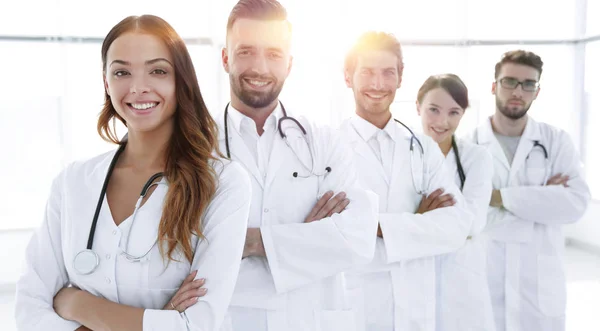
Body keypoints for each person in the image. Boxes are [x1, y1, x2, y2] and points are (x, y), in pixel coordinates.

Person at [15, 15, 252, 331]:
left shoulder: (222, 184)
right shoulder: (73, 183)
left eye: (157, 71)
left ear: (180, 80)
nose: (139, 87)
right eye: (122, 72)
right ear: (106, 83)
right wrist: (162, 317)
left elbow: (198, 324)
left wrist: (77, 303)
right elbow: (30, 311)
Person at [216, 1, 379, 330]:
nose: (260, 67)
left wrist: (252, 242)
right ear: (225, 58)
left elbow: (357, 238)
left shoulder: (324, 141)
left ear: (289, 64)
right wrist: (306, 238)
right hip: (228, 319)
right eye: (246, 51)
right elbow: (182, 245)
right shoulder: (193, 146)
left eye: (274, 54)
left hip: (308, 317)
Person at [339, 31, 474, 331]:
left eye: (388, 72)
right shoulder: (329, 148)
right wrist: (418, 223)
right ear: (348, 77)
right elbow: (332, 232)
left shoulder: (423, 147)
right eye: (367, 72)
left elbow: (458, 226)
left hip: (416, 307)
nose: (377, 84)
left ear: (401, 77)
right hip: (358, 308)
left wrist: (375, 226)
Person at [467, 50, 591, 331]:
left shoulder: (556, 141)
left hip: (539, 284)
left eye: (528, 84)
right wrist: (543, 198)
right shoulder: (468, 145)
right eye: (509, 81)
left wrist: (499, 197)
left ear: (536, 91)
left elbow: (575, 204)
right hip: (487, 276)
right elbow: (467, 212)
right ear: (493, 86)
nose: (518, 91)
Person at [416, 73, 496, 331]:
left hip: (462, 281)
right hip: (415, 275)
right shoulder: (401, 156)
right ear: (418, 106)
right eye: (433, 110)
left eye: (454, 112)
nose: (442, 121)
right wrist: (448, 220)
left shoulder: (477, 158)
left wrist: (419, 218)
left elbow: (472, 225)